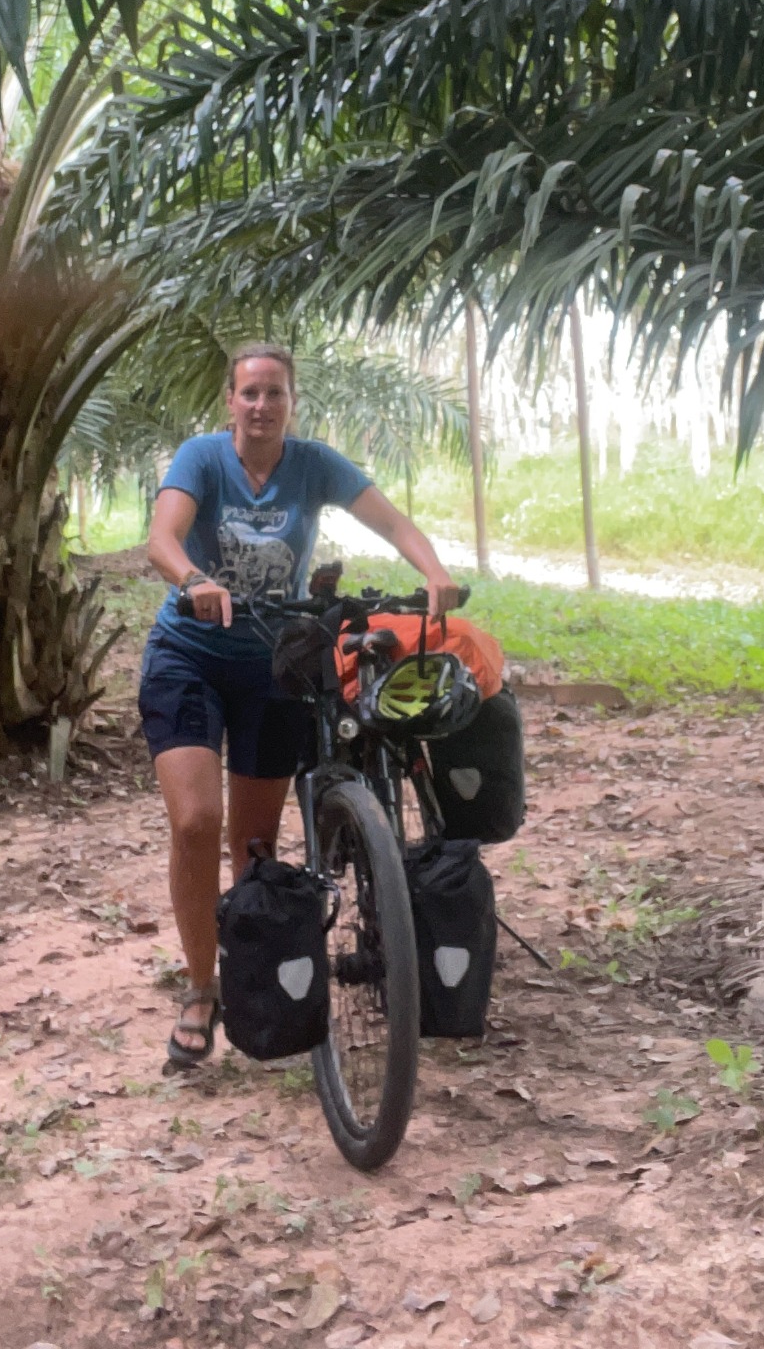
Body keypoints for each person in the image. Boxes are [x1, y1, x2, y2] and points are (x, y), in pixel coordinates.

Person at [143, 342, 456, 1067]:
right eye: (249, 393)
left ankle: (252, 974)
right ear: (230, 401)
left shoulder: (314, 465)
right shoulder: (202, 458)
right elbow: (162, 537)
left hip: (272, 663)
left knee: (254, 845)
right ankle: (201, 987)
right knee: (195, 821)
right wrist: (194, 579)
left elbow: (391, 521)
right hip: (188, 656)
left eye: (274, 393)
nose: (261, 405)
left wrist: (434, 570)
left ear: (291, 401)